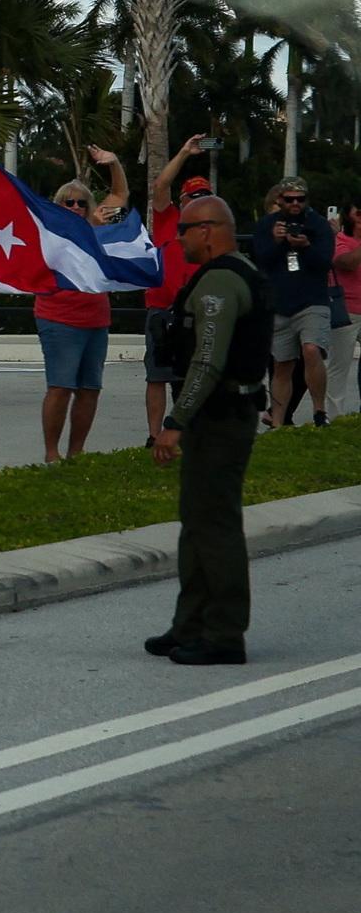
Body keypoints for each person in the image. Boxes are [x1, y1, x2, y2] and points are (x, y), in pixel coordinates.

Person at [148, 196, 268, 665]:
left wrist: (176, 422)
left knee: (214, 525)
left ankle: (224, 634)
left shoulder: (221, 280)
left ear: (207, 230)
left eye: (184, 230)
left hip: (220, 417)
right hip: (221, 414)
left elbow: (207, 360)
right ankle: (191, 624)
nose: (178, 239)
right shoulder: (238, 271)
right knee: (196, 522)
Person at [32, 147, 128, 462]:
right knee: (60, 386)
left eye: (81, 203)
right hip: (58, 317)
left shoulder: (97, 225)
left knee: (90, 389)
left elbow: (119, 194)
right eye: (68, 202)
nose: (75, 207)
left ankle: (76, 453)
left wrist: (113, 163)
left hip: (95, 318)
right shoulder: (48, 232)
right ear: (57, 205)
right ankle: (51, 454)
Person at [139, 140, 211, 444]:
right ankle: (154, 435)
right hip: (162, 308)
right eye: (193, 197)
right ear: (182, 200)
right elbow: (160, 184)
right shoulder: (168, 218)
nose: (198, 201)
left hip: (197, 310)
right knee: (157, 375)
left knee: (194, 374)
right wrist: (183, 153)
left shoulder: (213, 229)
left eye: (204, 197)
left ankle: (187, 431)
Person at [248, 180, 333, 428]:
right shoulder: (266, 226)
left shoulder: (317, 225)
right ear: (280, 200)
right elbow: (261, 261)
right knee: (282, 364)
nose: (295, 203)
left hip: (312, 300)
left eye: (300, 199)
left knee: (311, 349)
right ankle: (278, 419)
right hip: (280, 303)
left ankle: (319, 411)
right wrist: (277, 242)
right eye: (289, 199)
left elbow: (324, 263)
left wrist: (305, 246)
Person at [331, 203, 361, 417]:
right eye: (359, 213)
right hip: (348, 309)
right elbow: (347, 263)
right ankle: (334, 416)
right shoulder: (341, 240)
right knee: (339, 365)